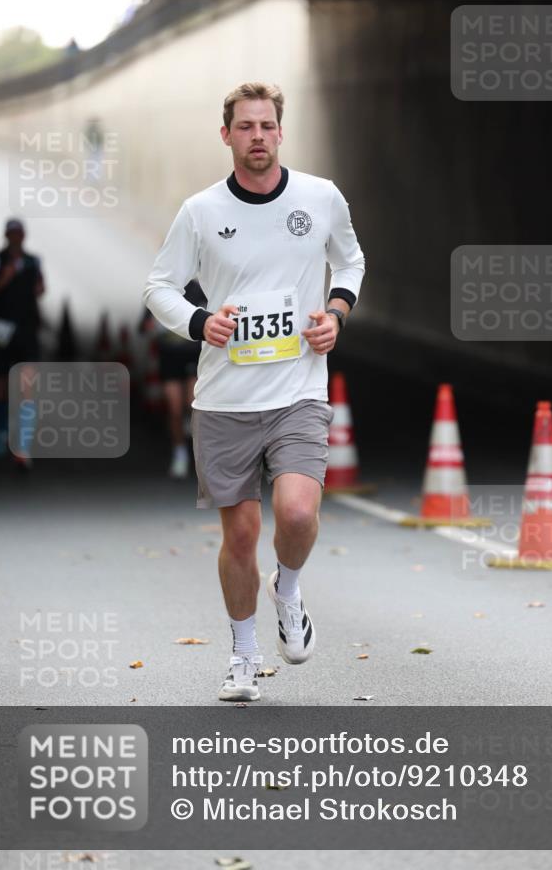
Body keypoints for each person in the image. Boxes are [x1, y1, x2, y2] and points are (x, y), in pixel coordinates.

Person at [143, 82, 365, 702]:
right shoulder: (201, 212)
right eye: (245, 127)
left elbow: (349, 262)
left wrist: (336, 314)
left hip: (298, 391)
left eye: (267, 125)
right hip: (223, 400)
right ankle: (244, 656)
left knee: (296, 512)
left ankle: (287, 590)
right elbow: (159, 285)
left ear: (280, 131)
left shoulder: (321, 198)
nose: (257, 136)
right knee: (239, 537)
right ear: (227, 136)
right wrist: (197, 321)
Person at [0, 218, 44, 466]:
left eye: (19, 234)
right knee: (1, 382)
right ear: (6, 236)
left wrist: (37, 287)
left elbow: (39, 289)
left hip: (26, 329)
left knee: (28, 384)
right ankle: (1, 429)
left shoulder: (33, 262)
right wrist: (3, 281)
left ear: (24, 236)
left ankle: (23, 443)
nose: (15, 238)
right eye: (12, 234)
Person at [140, 280, 205, 479]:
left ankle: (199, 454)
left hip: (193, 356)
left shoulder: (201, 289)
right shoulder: (160, 289)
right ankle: (179, 453)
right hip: (169, 358)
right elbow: (142, 326)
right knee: (175, 408)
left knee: (193, 405)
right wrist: (151, 326)